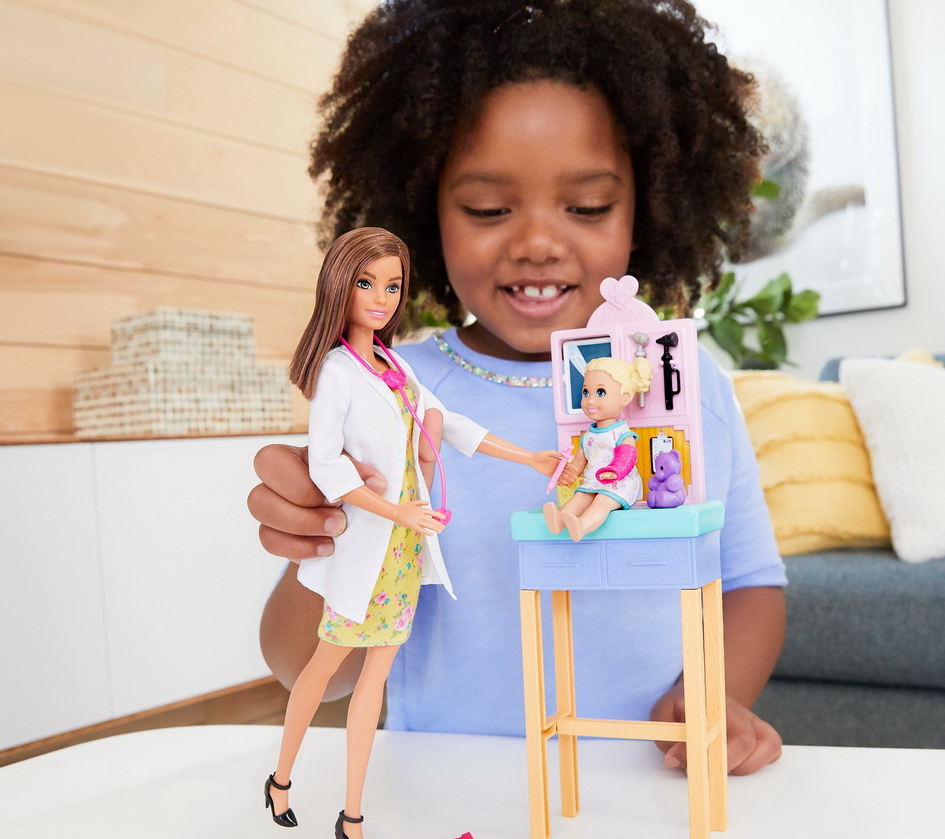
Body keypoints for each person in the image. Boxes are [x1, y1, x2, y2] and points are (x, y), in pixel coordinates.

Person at [248, 0, 788, 777]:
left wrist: (712, 694)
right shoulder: (390, 392)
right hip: (446, 795)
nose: (537, 242)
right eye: (489, 208)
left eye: (588, 206)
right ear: (425, 210)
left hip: (647, 793)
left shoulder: (685, 384)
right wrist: (328, 533)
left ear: (647, 209)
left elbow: (750, 583)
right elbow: (297, 665)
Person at [263, 226, 559, 839]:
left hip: (403, 552)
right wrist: (395, 509)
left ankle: (351, 817)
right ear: (339, 286)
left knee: (375, 681)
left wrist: (529, 458)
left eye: (392, 286)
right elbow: (328, 467)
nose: (381, 298)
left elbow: (452, 425)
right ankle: (281, 779)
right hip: (369, 544)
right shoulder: (336, 372)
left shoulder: (396, 368)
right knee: (322, 667)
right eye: (366, 283)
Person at [543, 355, 655, 542]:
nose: (590, 400)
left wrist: (615, 470)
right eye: (586, 392)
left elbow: (627, 457)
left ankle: (582, 526)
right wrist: (568, 473)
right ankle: (560, 521)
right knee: (579, 498)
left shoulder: (621, 433)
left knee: (601, 503)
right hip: (593, 483)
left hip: (619, 485)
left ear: (625, 398)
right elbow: (578, 464)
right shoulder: (587, 437)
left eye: (600, 392)